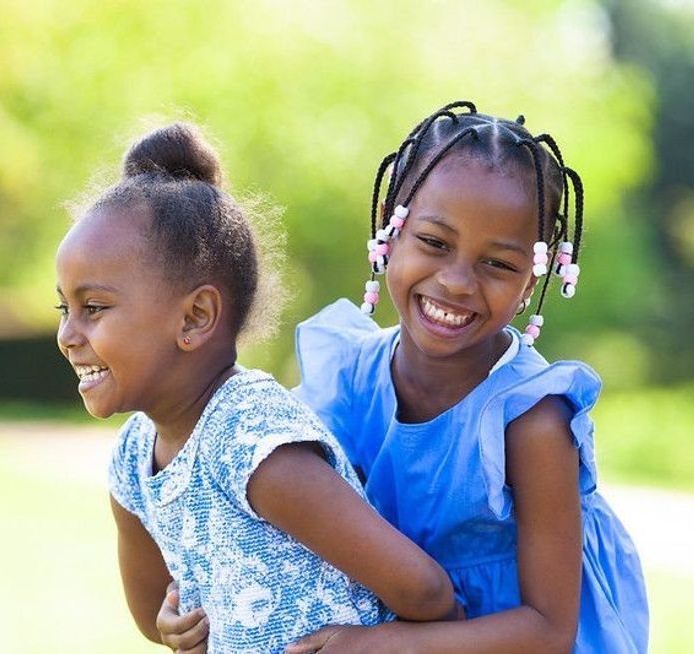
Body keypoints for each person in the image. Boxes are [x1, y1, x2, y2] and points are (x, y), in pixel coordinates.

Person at [54, 122, 459, 653]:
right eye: (64, 308)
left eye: (94, 309)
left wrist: (373, 643)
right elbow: (153, 612)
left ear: (196, 317)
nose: (66, 335)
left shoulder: (253, 442)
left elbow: (426, 593)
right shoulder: (133, 461)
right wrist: (172, 626)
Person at [285, 101, 649, 652]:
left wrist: (383, 645)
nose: (456, 282)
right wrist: (197, 589)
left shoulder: (530, 420)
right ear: (391, 227)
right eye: (434, 242)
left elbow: (550, 630)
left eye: (498, 264)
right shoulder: (346, 377)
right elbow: (287, 512)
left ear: (532, 278)